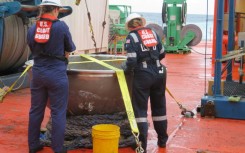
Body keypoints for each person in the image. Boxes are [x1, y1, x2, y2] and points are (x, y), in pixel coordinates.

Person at [27, 0, 76, 152]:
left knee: (36, 110)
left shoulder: (33, 28)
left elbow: (32, 47)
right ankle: (57, 148)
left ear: (42, 10)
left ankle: (33, 145)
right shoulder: (61, 26)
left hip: (38, 73)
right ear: (56, 10)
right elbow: (70, 48)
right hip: (57, 74)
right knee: (58, 112)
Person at [122, 13, 168, 153]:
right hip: (160, 73)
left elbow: (131, 60)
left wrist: (125, 71)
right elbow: (162, 54)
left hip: (143, 75)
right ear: (142, 22)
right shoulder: (153, 33)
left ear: (129, 26)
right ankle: (162, 141)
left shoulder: (132, 36)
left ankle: (141, 146)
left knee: (140, 110)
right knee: (159, 109)